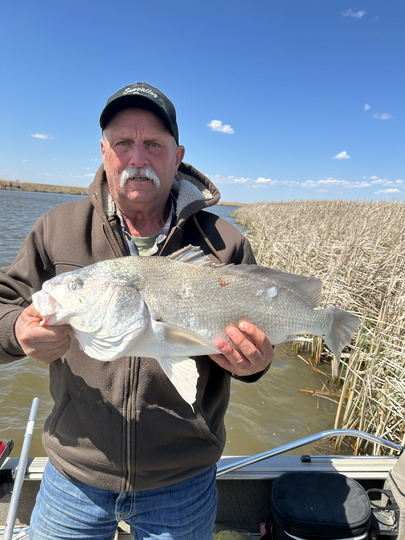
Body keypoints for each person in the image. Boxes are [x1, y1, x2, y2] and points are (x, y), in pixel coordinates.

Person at [0, 82, 273, 539]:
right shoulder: (56, 228)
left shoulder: (226, 242)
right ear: (104, 150)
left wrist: (254, 366)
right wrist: (18, 333)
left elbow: (255, 347)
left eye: (154, 144)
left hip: (182, 479)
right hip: (74, 470)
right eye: (123, 142)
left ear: (177, 153)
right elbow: (5, 308)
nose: (137, 157)